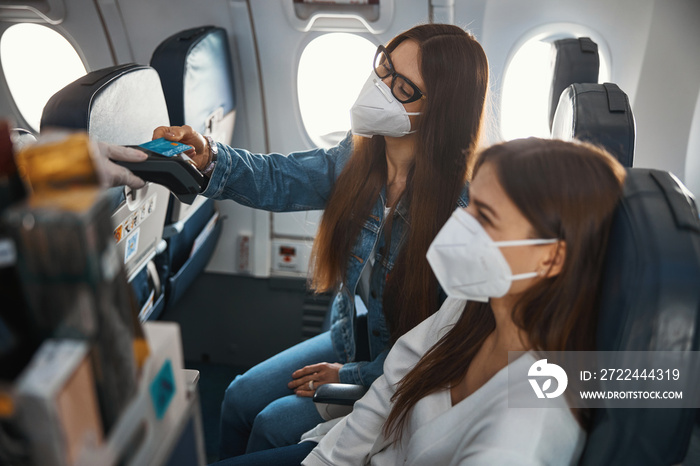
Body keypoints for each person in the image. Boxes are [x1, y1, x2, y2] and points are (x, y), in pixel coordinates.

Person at [150, 23, 489, 458]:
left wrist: (354, 374)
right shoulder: (358, 156)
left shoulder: (460, 214)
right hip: (351, 335)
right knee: (236, 397)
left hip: (398, 374)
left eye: (402, 86)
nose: (381, 86)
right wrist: (211, 156)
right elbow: (280, 176)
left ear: (441, 113)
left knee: (273, 426)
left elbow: (443, 349)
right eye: (383, 66)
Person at [296, 137, 627, 465]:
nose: (460, 224)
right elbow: (390, 389)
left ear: (550, 258)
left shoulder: (522, 436)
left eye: (484, 216)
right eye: (470, 205)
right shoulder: (474, 301)